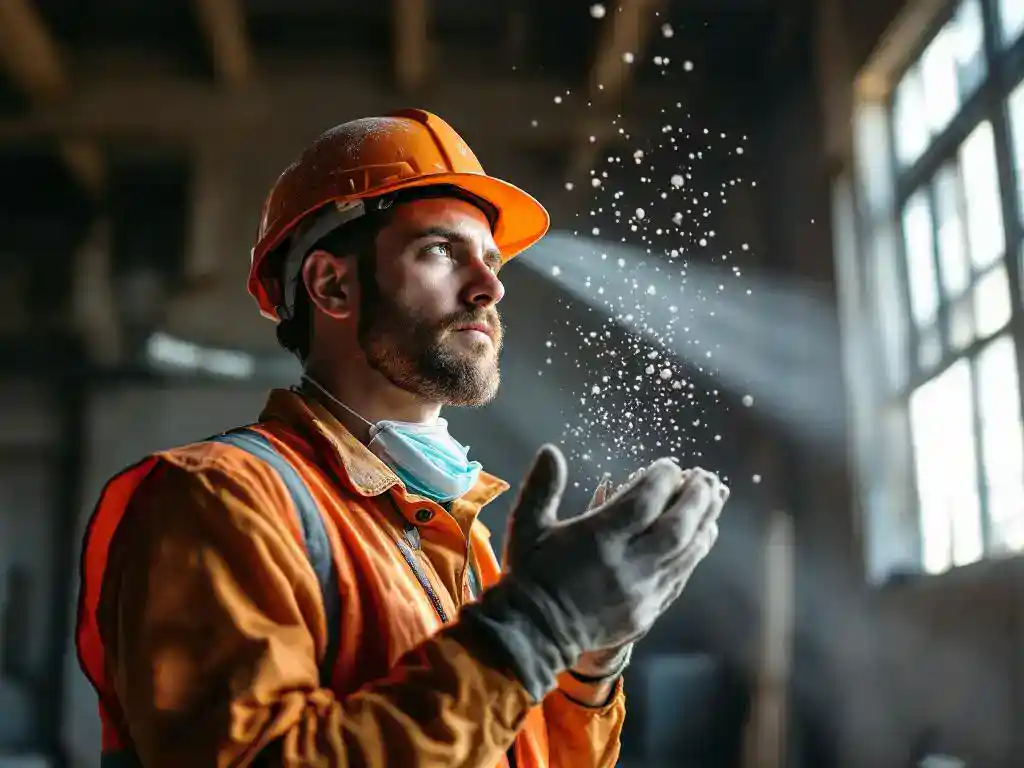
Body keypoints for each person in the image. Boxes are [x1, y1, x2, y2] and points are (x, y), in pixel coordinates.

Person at [75, 108, 729, 767]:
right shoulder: (220, 501)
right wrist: (536, 627)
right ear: (332, 284)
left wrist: (588, 655)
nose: (490, 286)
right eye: (442, 251)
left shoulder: (453, 535)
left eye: (492, 260)